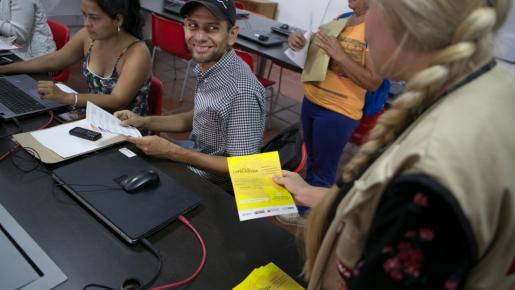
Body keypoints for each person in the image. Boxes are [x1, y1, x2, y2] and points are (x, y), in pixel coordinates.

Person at [274, 0, 515, 289]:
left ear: (406, 20)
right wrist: (315, 194)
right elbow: (382, 211)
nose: (363, 27)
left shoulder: (428, 174)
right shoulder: (497, 86)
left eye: (372, 7)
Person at [115, 0, 266, 190]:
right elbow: (199, 116)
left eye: (212, 28)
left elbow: (244, 168)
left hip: (214, 189)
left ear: (232, 35)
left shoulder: (243, 92)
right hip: (192, 162)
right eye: (193, 26)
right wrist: (144, 121)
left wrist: (173, 152)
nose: (199, 37)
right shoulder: (214, 67)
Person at [287, 0, 382, 213]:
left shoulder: (378, 27)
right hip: (312, 100)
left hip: (337, 112)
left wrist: (340, 54)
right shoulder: (343, 19)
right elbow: (318, 47)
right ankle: (306, 209)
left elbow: (373, 81)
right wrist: (299, 40)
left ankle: (308, 221)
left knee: (323, 172)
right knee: (312, 160)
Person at [0, 0, 151, 117]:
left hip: (128, 133)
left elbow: (117, 101)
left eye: (94, 18)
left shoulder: (137, 53)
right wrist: (5, 68)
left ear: (117, 20)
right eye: (84, 15)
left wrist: (67, 97)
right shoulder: (89, 36)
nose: (87, 23)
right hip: (95, 119)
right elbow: (55, 61)